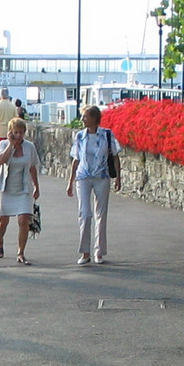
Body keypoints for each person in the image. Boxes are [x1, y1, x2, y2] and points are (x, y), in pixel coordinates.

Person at [66, 105, 122, 265]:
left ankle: (99, 251)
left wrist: (118, 177)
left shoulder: (107, 135)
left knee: (101, 215)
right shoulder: (80, 136)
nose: (83, 119)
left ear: (94, 118)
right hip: (83, 176)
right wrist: (70, 181)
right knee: (85, 214)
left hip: (102, 176)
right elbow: (76, 159)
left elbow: (115, 156)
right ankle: (85, 252)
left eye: (85, 116)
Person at [0, 117, 40, 264]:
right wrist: (11, 145)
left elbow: (33, 167)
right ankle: (0, 242)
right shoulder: (3, 144)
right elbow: (0, 160)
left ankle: (21, 252)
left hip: (24, 189)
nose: (19, 135)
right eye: (16, 132)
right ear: (10, 132)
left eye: (21, 132)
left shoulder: (30, 147)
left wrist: (36, 186)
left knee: (23, 220)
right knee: (3, 222)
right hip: (6, 188)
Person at [0, 87, 17, 161]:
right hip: (9, 130)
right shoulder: (12, 105)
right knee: (9, 146)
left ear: (0, 95)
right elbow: (16, 119)